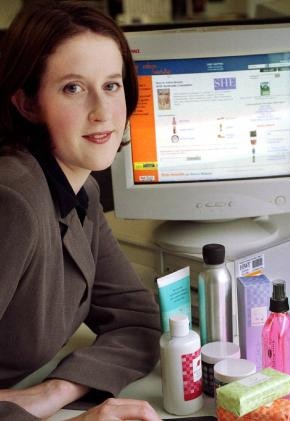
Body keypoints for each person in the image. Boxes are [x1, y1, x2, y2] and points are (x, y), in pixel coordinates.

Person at [0, 1, 162, 420]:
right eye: (73, 87)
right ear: (27, 102)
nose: (103, 112)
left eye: (111, 85)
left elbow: (138, 321)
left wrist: (55, 392)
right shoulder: (12, 201)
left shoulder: (79, 190)